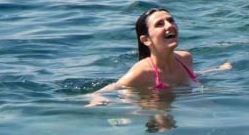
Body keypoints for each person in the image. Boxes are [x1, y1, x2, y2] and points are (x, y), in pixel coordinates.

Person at [91, 7, 230, 99]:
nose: (169, 26)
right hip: (153, 107)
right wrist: (97, 98)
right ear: (145, 40)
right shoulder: (141, 72)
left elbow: (192, 75)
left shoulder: (185, 58)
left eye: (170, 21)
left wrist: (217, 70)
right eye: (159, 24)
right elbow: (110, 88)